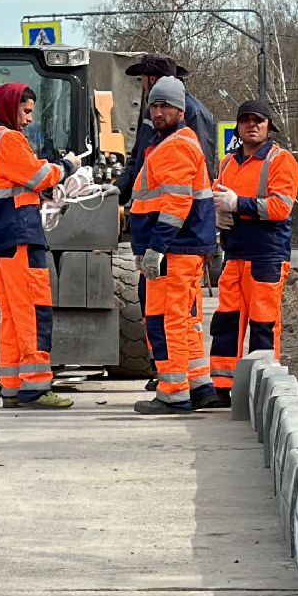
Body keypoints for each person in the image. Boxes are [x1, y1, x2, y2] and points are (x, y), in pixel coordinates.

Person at [0, 82, 82, 409]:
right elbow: (38, 176)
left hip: (3, 237)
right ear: (11, 108)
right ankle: (35, 386)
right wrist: (68, 166)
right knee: (33, 310)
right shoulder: (8, 139)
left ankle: (12, 385)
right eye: (26, 110)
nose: (30, 118)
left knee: (12, 315)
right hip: (18, 234)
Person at [129, 76, 219, 415]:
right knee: (185, 319)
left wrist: (156, 248)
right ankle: (199, 385)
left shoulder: (175, 146)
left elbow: (175, 204)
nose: (158, 111)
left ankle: (173, 393)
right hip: (182, 248)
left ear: (181, 110)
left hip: (174, 250)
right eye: (154, 105)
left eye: (165, 105)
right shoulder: (174, 143)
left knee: (167, 320)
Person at [206, 99, 298, 401]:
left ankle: (263, 392)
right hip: (234, 253)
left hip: (266, 256)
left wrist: (238, 204)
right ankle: (222, 387)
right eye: (245, 120)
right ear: (238, 126)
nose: (252, 125)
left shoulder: (280, 160)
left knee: (263, 324)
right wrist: (217, 211)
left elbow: (280, 207)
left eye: (258, 120)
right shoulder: (227, 163)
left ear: (269, 126)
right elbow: (218, 196)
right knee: (226, 322)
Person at [123, 54, 218, 190]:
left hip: (175, 200)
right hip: (147, 199)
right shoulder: (153, 110)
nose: (158, 112)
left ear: (152, 79)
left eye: (142, 78)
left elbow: (202, 168)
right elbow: (138, 156)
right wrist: (120, 188)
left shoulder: (194, 113)